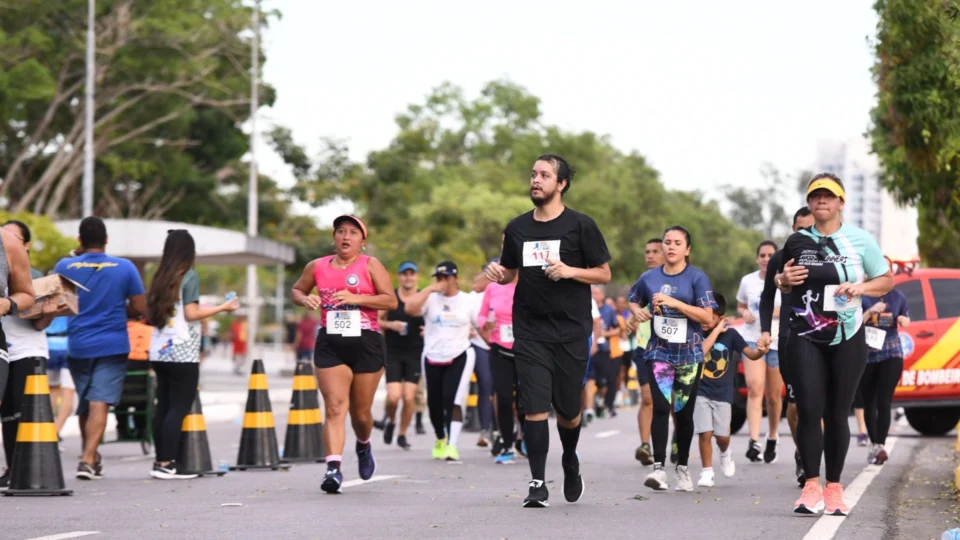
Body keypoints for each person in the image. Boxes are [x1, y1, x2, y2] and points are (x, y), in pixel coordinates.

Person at [484, 154, 612, 508]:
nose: (535, 180)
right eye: (533, 174)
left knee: (569, 410)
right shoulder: (518, 227)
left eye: (544, 175)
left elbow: (603, 273)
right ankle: (537, 482)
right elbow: (510, 271)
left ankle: (570, 459)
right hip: (530, 330)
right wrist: (500, 273)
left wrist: (571, 271)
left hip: (571, 331)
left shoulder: (581, 226)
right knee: (534, 406)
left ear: (562, 183)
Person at [768, 173, 893, 516]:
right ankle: (811, 487)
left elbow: (886, 279)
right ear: (809, 203)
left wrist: (860, 289)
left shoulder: (860, 240)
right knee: (809, 408)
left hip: (847, 336)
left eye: (829, 196)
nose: (822, 200)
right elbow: (778, 281)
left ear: (840, 202)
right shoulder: (796, 241)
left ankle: (834, 489)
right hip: (806, 336)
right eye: (816, 196)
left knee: (837, 412)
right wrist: (783, 279)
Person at [291, 215, 397, 494]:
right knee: (336, 407)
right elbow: (297, 290)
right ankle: (333, 469)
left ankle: (363, 445)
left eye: (352, 232)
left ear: (362, 241)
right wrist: (305, 298)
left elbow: (390, 300)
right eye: (341, 231)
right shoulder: (317, 266)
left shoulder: (370, 265)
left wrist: (357, 298)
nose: (346, 237)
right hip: (331, 343)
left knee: (360, 414)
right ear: (334, 237)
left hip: (366, 343)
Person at [627, 226, 718, 492]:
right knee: (660, 406)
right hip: (659, 351)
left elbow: (708, 317)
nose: (670, 247)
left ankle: (682, 468)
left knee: (684, 413)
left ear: (687, 249)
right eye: (667, 242)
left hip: (689, 353)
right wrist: (638, 312)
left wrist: (675, 303)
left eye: (677, 243)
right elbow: (633, 299)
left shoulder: (696, 278)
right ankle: (658, 468)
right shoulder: (649, 277)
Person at [55, 216, 145, 480]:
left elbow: (54, 299)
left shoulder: (64, 265)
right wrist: (118, 309)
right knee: (100, 402)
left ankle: (91, 456)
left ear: (80, 241)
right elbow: (140, 308)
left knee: (87, 403)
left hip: (78, 345)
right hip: (112, 344)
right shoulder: (125, 267)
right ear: (106, 240)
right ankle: (86, 458)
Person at [146, 230, 239, 479]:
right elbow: (191, 314)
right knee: (178, 406)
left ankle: (160, 461)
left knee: (163, 405)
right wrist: (223, 307)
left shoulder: (161, 276)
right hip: (183, 350)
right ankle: (167, 464)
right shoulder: (189, 275)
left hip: (159, 349)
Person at [759, 206, 815, 487]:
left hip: (821, 337)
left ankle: (812, 456)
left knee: (816, 406)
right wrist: (766, 329)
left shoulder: (828, 256)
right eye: (799, 229)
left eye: (810, 229)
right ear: (792, 230)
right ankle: (803, 453)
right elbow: (767, 297)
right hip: (790, 337)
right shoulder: (780, 258)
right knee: (793, 406)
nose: (804, 235)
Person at [404, 261, 475, 462]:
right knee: (434, 404)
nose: (443, 282)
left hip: (459, 354)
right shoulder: (430, 298)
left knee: (452, 400)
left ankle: (452, 445)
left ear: (456, 278)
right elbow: (410, 308)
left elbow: (480, 325)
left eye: (447, 277)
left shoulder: (467, 300)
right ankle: (440, 438)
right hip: (432, 356)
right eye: (439, 278)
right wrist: (429, 289)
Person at [696, 293, 767, 488]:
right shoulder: (695, 333)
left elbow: (751, 355)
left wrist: (761, 350)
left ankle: (725, 454)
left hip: (723, 393)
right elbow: (701, 351)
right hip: (700, 391)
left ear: (721, 317)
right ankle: (707, 471)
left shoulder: (732, 335)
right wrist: (716, 330)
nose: (703, 319)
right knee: (705, 432)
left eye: (709, 316)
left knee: (722, 436)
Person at [0, 221, 49, 487]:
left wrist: (8, 303)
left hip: (24, 349)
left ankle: (23, 471)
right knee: (9, 415)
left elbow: (31, 302)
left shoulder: (10, 247)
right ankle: (13, 469)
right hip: (11, 348)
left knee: (20, 413)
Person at [736, 240, 783, 464]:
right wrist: (744, 313)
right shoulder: (748, 281)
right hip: (753, 339)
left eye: (770, 255)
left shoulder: (784, 279)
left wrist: (772, 310)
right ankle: (754, 440)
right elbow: (741, 305)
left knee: (774, 397)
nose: (766, 259)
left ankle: (772, 436)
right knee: (755, 388)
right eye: (762, 255)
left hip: (777, 341)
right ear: (757, 259)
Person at [378, 261, 425, 451]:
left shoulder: (424, 298)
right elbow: (377, 320)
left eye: (411, 274)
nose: (408, 277)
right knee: (393, 397)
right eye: (404, 274)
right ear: (399, 277)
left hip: (415, 353)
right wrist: (391, 325)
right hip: (393, 352)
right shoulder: (392, 297)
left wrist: (428, 330)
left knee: (409, 396)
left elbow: (434, 320)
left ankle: (402, 434)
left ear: (416, 276)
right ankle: (390, 421)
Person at [860, 289, 909, 465]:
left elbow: (906, 318)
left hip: (891, 352)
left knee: (884, 401)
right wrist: (870, 311)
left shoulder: (898, 296)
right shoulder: (862, 294)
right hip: (867, 355)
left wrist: (904, 320)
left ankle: (880, 445)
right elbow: (853, 323)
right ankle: (874, 444)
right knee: (869, 402)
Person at [478, 258, 520, 464]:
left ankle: (525, 438)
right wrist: (486, 325)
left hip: (526, 351)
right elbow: (481, 316)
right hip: (499, 350)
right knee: (503, 398)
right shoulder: (492, 288)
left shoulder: (529, 286)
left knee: (525, 400)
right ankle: (506, 442)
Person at [634, 238, 663, 465]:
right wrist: (631, 321)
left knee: (669, 400)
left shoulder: (680, 281)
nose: (650, 256)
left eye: (655, 251)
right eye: (647, 252)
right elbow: (633, 307)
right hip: (644, 347)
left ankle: (674, 443)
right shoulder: (643, 281)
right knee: (647, 398)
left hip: (671, 349)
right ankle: (645, 446)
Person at [467, 268, 495, 448]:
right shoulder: (473, 297)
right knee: (485, 385)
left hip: (505, 345)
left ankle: (508, 431)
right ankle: (485, 430)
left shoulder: (508, 291)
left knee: (504, 390)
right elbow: (472, 320)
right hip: (481, 346)